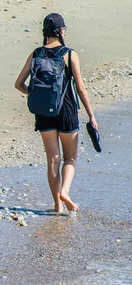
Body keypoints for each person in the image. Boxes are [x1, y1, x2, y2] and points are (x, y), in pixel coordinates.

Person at [14, 13, 98, 213]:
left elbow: (18, 84)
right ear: (61, 31)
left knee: (53, 159)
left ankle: (57, 206)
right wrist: (92, 116)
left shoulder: (36, 54)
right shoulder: (69, 54)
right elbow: (80, 88)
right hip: (67, 109)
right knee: (70, 158)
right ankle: (65, 192)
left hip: (43, 112)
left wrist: (35, 96)